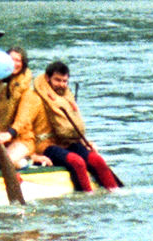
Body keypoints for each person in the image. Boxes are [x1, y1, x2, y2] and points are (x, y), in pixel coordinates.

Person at [30, 60, 120, 191]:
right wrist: (32, 155)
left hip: (67, 143)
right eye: (57, 80)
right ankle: (87, 196)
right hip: (45, 146)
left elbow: (70, 127)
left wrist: (86, 143)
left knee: (97, 160)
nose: (62, 85)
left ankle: (116, 193)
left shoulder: (67, 99)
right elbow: (24, 128)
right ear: (47, 78)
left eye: (65, 81)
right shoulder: (35, 99)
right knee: (76, 161)